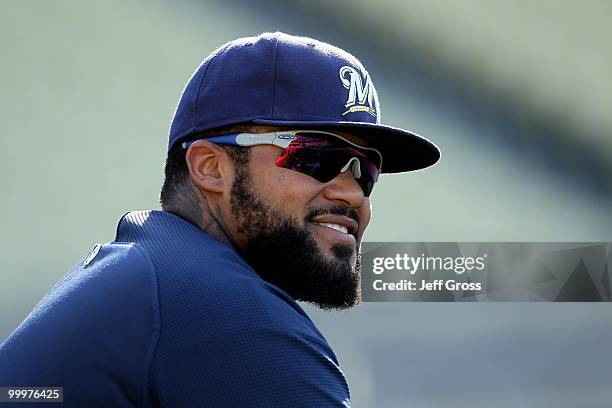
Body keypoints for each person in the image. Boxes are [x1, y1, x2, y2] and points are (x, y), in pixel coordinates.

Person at [0, 32, 439, 407]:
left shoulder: (156, 274)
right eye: (315, 156)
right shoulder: (224, 310)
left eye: (367, 170)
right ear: (210, 167)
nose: (352, 194)